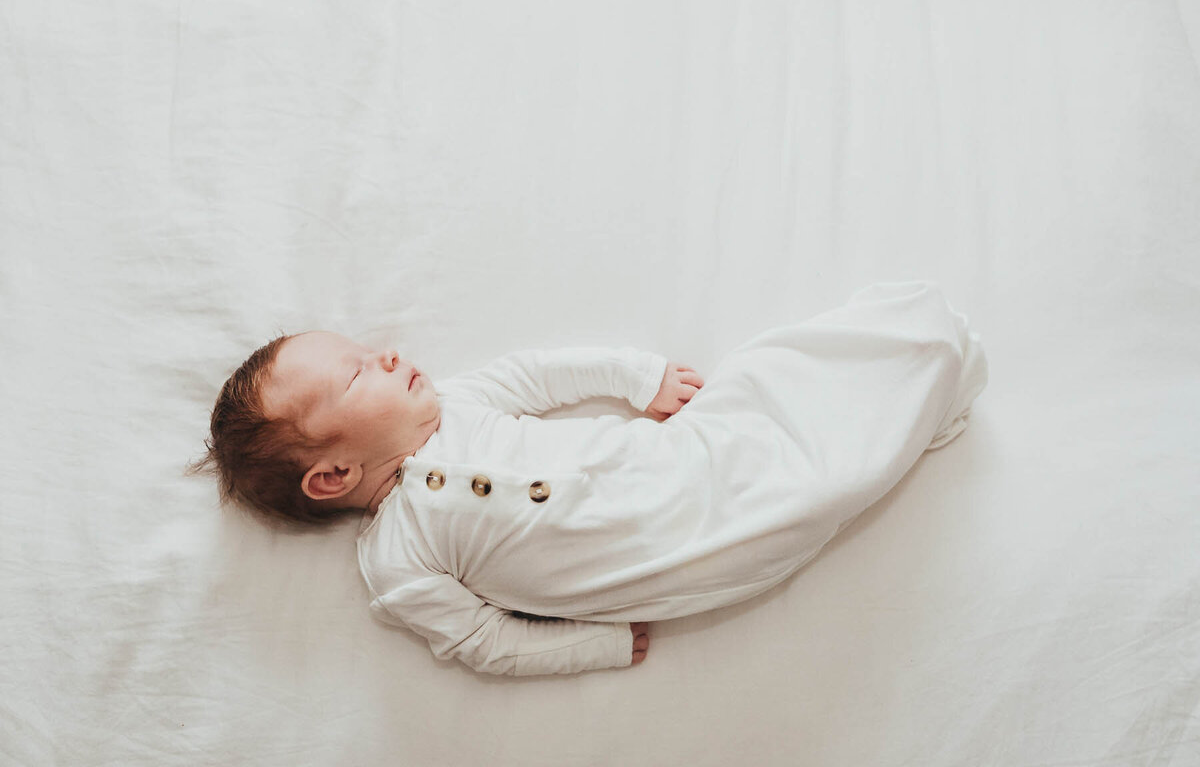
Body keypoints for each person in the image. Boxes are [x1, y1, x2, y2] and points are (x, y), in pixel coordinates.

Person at [196, 281, 987, 676]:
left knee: (765, 383)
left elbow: (546, 375)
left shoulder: (463, 400)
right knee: (810, 495)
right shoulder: (398, 563)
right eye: (358, 373)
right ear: (332, 476)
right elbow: (480, 643)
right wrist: (596, 647)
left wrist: (640, 378)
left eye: (374, 350)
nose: (391, 355)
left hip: (678, 459)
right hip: (684, 562)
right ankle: (921, 403)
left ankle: (919, 354)